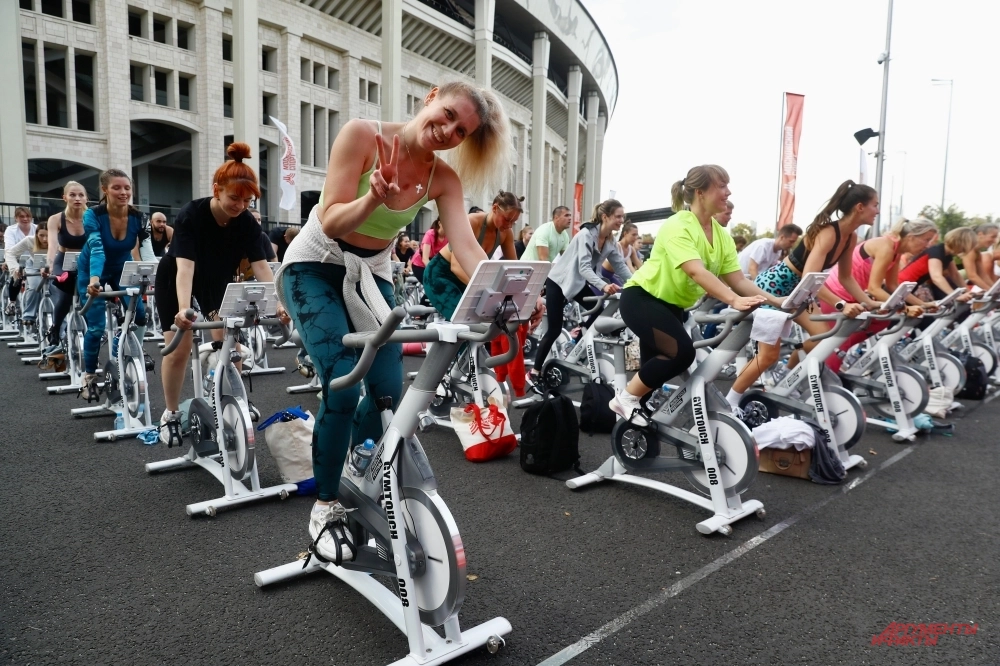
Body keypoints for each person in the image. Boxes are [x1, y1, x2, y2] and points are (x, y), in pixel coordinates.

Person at [275, 81, 513, 563]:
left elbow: (467, 249)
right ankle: (324, 504)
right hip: (315, 265)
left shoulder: (442, 179)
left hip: (372, 274)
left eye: (460, 130)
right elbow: (330, 219)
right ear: (430, 98)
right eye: (446, 114)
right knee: (342, 382)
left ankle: (352, 461)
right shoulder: (362, 135)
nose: (446, 130)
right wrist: (373, 200)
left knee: (388, 393)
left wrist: (502, 295)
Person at [610, 166, 781, 426]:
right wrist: (733, 300)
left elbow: (736, 279)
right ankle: (623, 399)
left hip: (672, 307)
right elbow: (695, 271)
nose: (728, 191)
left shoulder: (721, 234)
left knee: (652, 381)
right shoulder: (678, 224)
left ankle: (632, 440)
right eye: (722, 186)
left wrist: (778, 302)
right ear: (700, 192)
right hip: (642, 298)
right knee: (681, 354)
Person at [156, 143, 288, 440]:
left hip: (217, 280)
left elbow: (264, 268)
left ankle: (234, 401)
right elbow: (185, 269)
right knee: (178, 347)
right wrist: (182, 310)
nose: (240, 205)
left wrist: (278, 304)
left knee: (233, 345)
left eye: (247, 200)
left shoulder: (246, 224)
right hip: (177, 276)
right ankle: (171, 413)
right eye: (234, 197)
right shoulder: (192, 214)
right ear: (217, 189)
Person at [726, 181, 878, 410]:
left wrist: (870, 303)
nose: (877, 210)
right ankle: (730, 403)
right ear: (859, 207)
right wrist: (840, 305)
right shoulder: (829, 233)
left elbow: (846, 278)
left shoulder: (851, 237)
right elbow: (810, 277)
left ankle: (789, 378)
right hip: (774, 288)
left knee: (821, 339)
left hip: (802, 290)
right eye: (875, 205)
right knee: (768, 356)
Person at [528, 198, 633, 386]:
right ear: (605, 216)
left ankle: (578, 340)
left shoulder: (609, 241)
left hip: (577, 284)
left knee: (600, 314)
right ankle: (534, 372)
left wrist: (638, 285)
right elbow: (584, 268)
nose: (621, 220)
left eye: (622, 217)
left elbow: (621, 267)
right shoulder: (586, 234)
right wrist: (603, 285)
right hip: (558, 282)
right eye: (618, 217)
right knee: (553, 329)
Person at [819, 216, 939, 373]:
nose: (928, 245)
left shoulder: (896, 250)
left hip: (854, 295)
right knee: (838, 342)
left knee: (881, 321)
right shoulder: (886, 247)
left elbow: (893, 285)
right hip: (836, 292)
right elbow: (875, 288)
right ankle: (824, 377)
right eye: (926, 239)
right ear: (911, 237)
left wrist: (921, 304)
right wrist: (904, 308)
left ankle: (836, 360)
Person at [77, 169, 156, 399]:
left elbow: (147, 251)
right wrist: (94, 281)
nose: (123, 192)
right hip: (92, 267)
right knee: (96, 327)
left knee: (140, 315)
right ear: (105, 190)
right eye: (117, 188)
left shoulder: (140, 217)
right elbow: (97, 248)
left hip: (123, 266)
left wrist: (154, 274)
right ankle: (89, 375)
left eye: (127, 188)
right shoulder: (92, 215)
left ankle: (125, 355)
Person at [423, 190, 522, 319]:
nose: (509, 225)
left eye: (513, 222)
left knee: (484, 319)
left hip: (468, 277)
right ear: (495, 208)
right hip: (440, 274)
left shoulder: (506, 233)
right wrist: (486, 289)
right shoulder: (470, 222)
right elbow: (455, 266)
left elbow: (514, 268)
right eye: (507, 219)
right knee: (462, 320)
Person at [42, 181, 88, 352]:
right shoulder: (55, 219)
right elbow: (52, 246)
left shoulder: (91, 218)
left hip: (85, 261)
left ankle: (92, 333)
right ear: (65, 198)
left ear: (86, 199)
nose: (77, 198)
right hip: (63, 261)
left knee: (90, 296)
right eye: (73, 195)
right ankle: (56, 327)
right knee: (66, 293)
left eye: (81, 195)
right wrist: (48, 265)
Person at [899, 225, 976, 301]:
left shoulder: (947, 254)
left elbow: (955, 275)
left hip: (909, 287)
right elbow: (936, 277)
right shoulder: (937, 251)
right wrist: (954, 295)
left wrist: (969, 292)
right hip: (900, 286)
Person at [3, 207, 37, 316]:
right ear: (16, 218)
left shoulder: (37, 228)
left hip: (33, 258)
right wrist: (9, 263)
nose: (25, 219)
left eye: (28, 216)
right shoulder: (10, 230)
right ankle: (12, 302)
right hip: (17, 257)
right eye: (22, 216)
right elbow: (9, 249)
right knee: (17, 275)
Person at [738, 224, 803, 279]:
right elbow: (752, 269)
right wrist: (760, 288)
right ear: (782, 237)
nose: (792, 245)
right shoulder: (763, 246)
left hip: (748, 279)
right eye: (791, 241)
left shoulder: (778, 251)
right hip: (739, 279)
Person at [601, 221, 644, 286]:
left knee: (621, 292)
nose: (635, 237)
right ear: (625, 233)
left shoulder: (631, 249)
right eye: (633, 235)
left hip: (611, 276)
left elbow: (640, 266)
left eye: (637, 235)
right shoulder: (617, 246)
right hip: (601, 275)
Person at [962, 222, 999, 290]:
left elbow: (983, 275)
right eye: (993, 237)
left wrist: (994, 290)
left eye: (996, 237)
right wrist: (989, 290)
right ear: (980, 234)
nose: (995, 241)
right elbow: (972, 276)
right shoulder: (970, 249)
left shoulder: (977, 252)